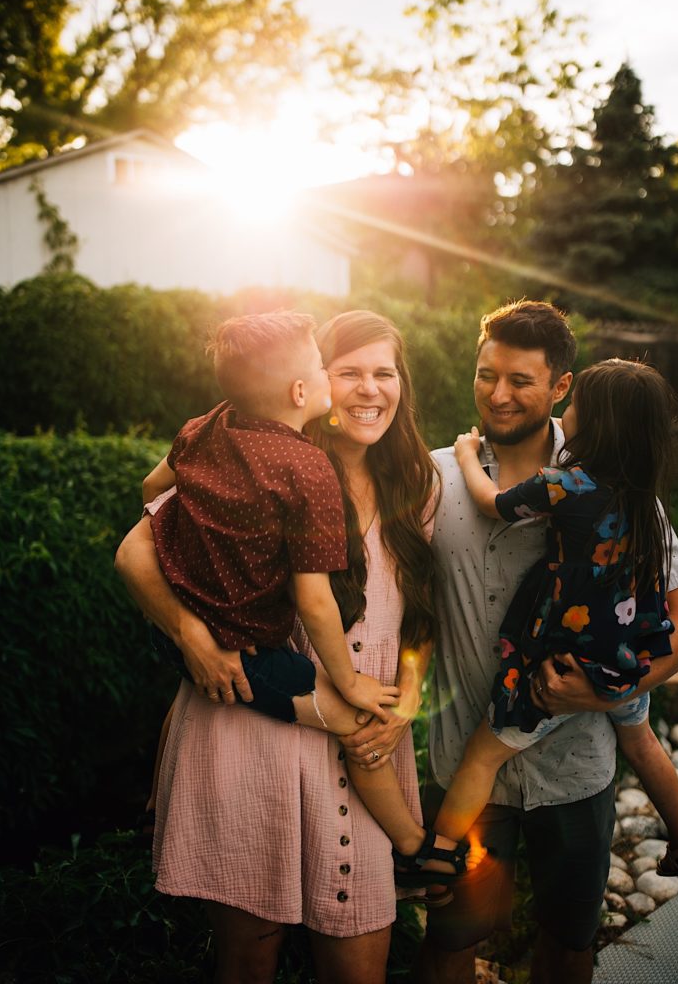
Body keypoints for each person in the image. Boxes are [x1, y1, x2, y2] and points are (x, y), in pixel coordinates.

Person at [114, 310, 460, 984]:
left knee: (359, 959)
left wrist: (408, 698)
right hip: (251, 732)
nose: (368, 389)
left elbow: (418, 617)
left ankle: (413, 849)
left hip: (363, 745)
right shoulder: (260, 465)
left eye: (384, 373)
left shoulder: (417, 488)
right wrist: (192, 637)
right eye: (349, 372)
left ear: (402, 385)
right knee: (248, 956)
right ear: (311, 386)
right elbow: (134, 551)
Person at [417, 301, 678, 984]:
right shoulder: (430, 479)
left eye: (520, 381)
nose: (497, 394)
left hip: (573, 771)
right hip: (463, 766)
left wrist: (607, 690)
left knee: (568, 941)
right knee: (449, 943)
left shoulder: (620, 489)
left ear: (562, 388)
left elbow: (677, 631)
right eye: (486, 375)